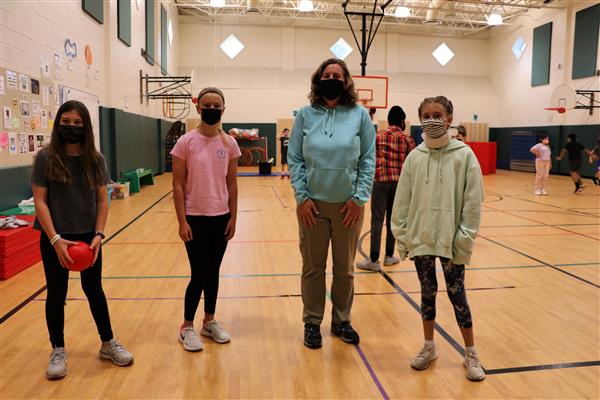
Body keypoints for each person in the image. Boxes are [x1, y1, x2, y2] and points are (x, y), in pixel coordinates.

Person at [32, 100, 134, 380]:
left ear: (86, 126)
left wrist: (99, 234)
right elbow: (40, 201)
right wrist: (54, 238)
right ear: (58, 123)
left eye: (78, 123)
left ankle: (108, 342)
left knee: (94, 290)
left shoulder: (95, 159)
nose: (72, 127)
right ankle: (58, 349)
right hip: (55, 238)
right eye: (66, 122)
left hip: (88, 238)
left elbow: (103, 200)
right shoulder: (45, 158)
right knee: (56, 294)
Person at [391, 96, 485, 381]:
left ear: (449, 118)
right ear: (420, 119)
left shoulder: (464, 155)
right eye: (427, 115)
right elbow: (402, 203)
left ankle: (471, 353)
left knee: (459, 297)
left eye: (438, 114)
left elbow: (473, 202)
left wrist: (464, 239)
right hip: (421, 239)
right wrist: (404, 237)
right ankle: (429, 346)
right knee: (427, 294)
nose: (432, 119)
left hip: (451, 240)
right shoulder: (414, 157)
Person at [288, 58, 375, 349]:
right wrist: (302, 198)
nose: (331, 78)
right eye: (326, 74)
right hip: (311, 207)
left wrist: (359, 198)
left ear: (346, 81)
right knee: (312, 268)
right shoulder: (304, 114)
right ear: (318, 79)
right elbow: (296, 159)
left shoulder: (360, 115)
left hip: (348, 208)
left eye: (337, 75)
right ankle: (312, 322)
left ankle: (341, 320)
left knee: (344, 269)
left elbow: (368, 160)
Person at [171, 87, 241, 352]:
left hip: (220, 216)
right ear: (199, 108)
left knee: (213, 272)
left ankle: (208, 321)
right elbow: (177, 185)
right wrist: (181, 221)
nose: (212, 109)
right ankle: (186, 326)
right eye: (207, 105)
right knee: (199, 272)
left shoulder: (230, 144)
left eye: (217, 105)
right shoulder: (186, 142)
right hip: (194, 218)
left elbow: (232, 185)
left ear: (223, 109)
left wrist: (234, 217)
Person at [356, 105, 415, 271]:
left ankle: (373, 260)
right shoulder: (407, 139)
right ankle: (389, 256)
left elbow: (369, 158)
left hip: (380, 182)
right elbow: (413, 163)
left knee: (377, 220)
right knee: (392, 220)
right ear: (402, 121)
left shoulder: (378, 136)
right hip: (400, 183)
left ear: (389, 120)